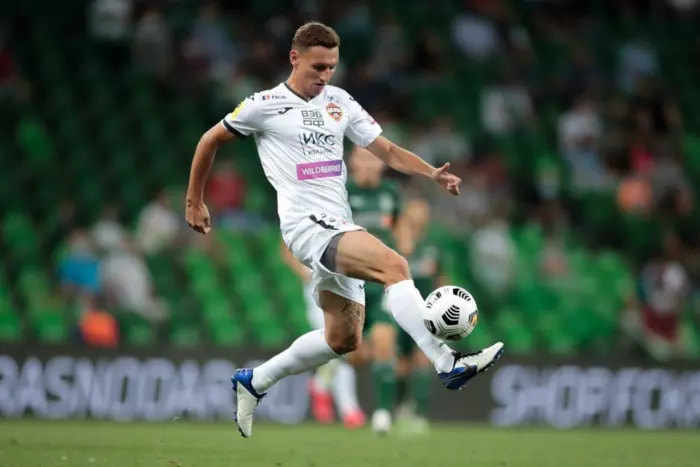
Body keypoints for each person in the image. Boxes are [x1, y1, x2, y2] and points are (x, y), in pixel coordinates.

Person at [185, 21, 504, 439]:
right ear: (294, 58)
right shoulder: (265, 104)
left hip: (338, 223)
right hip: (306, 225)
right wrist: (194, 200)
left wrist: (431, 173)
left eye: (332, 66)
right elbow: (208, 140)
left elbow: (386, 150)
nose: (325, 75)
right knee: (395, 265)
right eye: (318, 66)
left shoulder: (339, 101)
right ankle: (447, 362)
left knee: (344, 339)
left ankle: (255, 381)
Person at [345, 145, 403, 434]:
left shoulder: (391, 193)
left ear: (381, 164)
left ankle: (382, 412)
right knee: (355, 354)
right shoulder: (341, 192)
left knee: (384, 341)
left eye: (373, 159)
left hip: (382, 280)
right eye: (363, 158)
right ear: (353, 162)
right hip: (350, 281)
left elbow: (397, 229)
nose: (368, 164)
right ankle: (328, 376)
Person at [279, 240, 366, 428]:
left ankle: (321, 386)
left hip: (343, 288)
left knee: (343, 351)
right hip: (319, 293)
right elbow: (285, 247)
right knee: (340, 348)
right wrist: (302, 272)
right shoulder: (305, 225)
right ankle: (349, 410)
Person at [394, 198, 446, 435]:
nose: (421, 215)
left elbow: (441, 278)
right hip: (401, 312)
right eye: (417, 210)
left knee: (424, 360)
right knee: (401, 365)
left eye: (424, 211)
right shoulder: (395, 244)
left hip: (427, 312)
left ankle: (420, 414)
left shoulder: (432, 246)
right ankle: (400, 408)